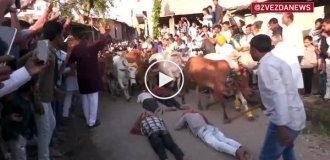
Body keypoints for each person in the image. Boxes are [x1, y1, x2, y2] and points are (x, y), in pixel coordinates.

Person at [249, 34, 306, 160]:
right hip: (293, 115)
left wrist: (281, 126)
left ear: (253, 50)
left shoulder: (266, 66)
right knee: (287, 149)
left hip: (285, 121)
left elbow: (279, 95)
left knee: (266, 157)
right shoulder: (276, 61)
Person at [17, 20, 64, 160]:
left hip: (45, 97)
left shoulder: (44, 47)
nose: (63, 39)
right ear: (56, 36)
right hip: (40, 98)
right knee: (45, 131)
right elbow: (37, 76)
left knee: (51, 125)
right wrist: (36, 100)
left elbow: (20, 62)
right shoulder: (44, 50)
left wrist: (53, 88)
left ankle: (36, 147)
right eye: (62, 35)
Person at [69, 23, 112, 128]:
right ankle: (92, 122)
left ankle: (88, 118)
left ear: (78, 38)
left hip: (81, 78)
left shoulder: (75, 49)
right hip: (92, 77)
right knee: (93, 99)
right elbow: (109, 39)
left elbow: (70, 62)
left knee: (85, 99)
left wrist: (74, 69)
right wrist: (103, 31)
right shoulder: (93, 45)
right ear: (88, 37)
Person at [175, 110, 250, 160]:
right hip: (211, 127)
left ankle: (236, 151)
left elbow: (177, 127)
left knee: (217, 144)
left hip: (203, 131)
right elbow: (207, 121)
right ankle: (240, 146)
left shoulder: (186, 116)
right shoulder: (197, 114)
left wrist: (185, 121)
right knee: (224, 139)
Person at [1, 79, 37, 160]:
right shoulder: (14, 101)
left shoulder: (28, 99)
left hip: (24, 135)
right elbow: (5, 120)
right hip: (15, 136)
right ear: (31, 88)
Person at [322, 15, 330, 100]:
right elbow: (323, 48)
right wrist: (327, 55)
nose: (323, 28)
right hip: (328, 60)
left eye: (324, 25)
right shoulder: (324, 35)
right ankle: (327, 95)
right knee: (329, 79)